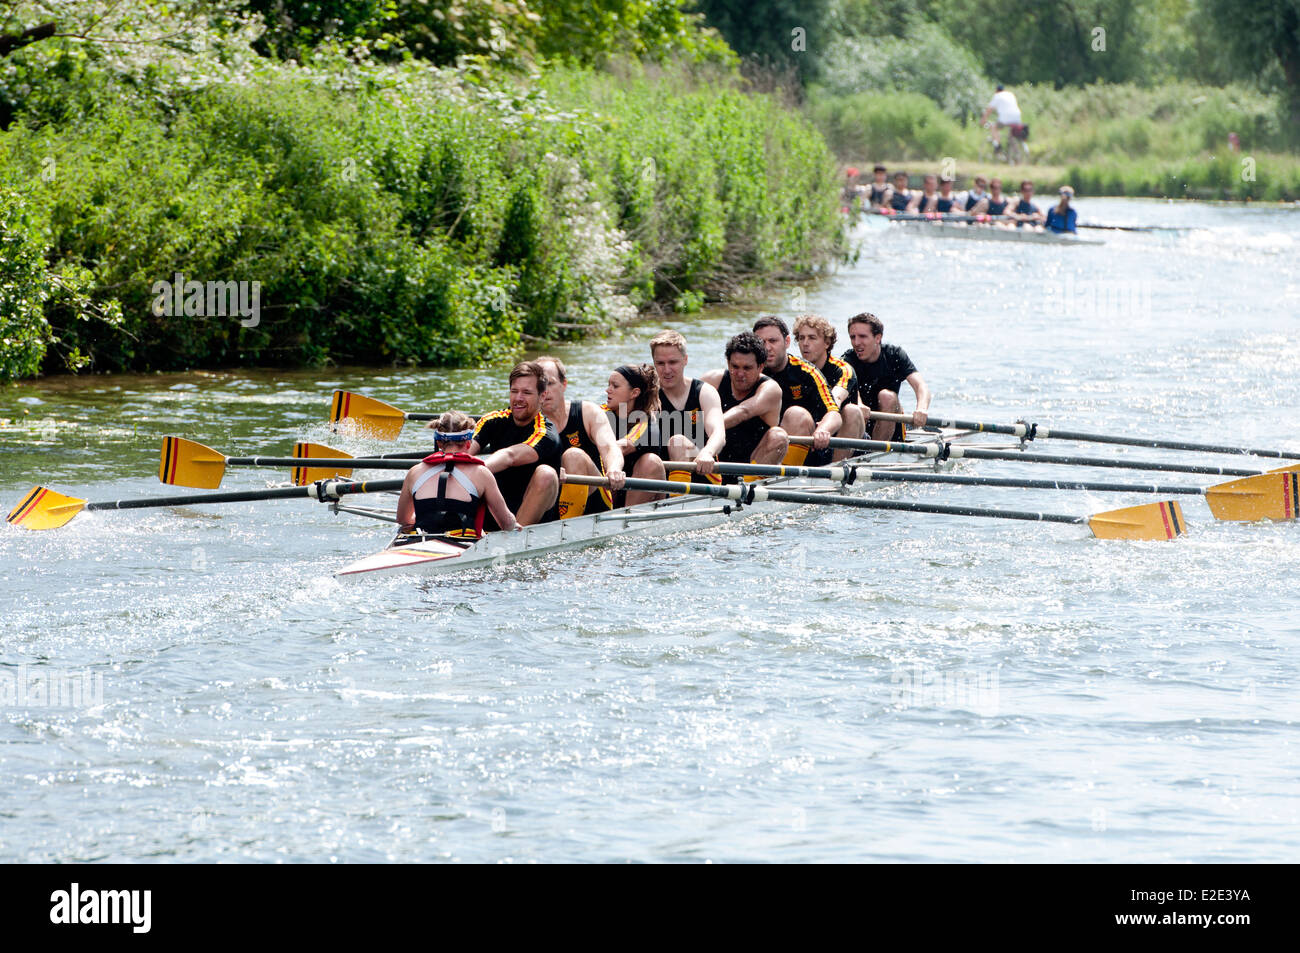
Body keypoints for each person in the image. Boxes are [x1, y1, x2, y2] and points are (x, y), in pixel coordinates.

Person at [464, 361, 562, 527]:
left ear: (542, 396)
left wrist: (476, 471)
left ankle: (514, 538)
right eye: (514, 391)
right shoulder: (492, 420)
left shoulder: (546, 432)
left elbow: (510, 456)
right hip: (494, 512)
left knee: (546, 474)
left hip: (531, 520)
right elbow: (464, 452)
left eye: (526, 393)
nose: (518, 398)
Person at [397, 411, 519, 536]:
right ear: (468, 443)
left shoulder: (415, 471)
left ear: (438, 443)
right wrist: (515, 524)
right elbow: (507, 524)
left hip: (419, 542)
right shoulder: (481, 473)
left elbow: (403, 520)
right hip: (464, 546)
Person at [536, 355, 628, 518]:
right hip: (549, 497)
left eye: (550, 383)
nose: (545, 391)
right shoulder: (529, 422)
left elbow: (609, 447)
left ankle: (566, 528)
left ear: (564, 385)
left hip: (596, 499)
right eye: (540, 385)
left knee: (573, 456)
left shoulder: (588, 412)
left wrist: (614, 468)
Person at [751, 315, 842, 468]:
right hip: (759, 443)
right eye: (761, 343)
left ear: (786, 342)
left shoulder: (807, 372)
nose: (767, 348)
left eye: (773, 341)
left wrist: (823, 430)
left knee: (796, 415)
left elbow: (834, 413)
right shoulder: (747, 370)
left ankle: (778, 480)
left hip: (803, 446)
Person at [698, 332, 788, 477]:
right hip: (712, 462)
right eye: (735, 366)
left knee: (778, 436)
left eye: (747, 368)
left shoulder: (770, 389)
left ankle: (749, 492)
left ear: (760, 367)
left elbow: (743, 411)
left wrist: (712, 428)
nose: (739, 374)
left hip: (752, 464)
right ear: (728, 363)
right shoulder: (712, 380)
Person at [647, 329, 726, 479]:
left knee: (678, 442)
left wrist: (708, 452)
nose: (666, 370)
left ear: (685, 360)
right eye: (660, 363)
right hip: (662, 475)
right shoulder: (648, 396)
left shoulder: (704, 392)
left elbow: (718, 433)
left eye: (673, 362)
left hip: (703, 471)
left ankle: (676, 499)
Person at [841, 312, 931, 442]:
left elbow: (921, 385)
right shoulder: (847, 360)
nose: (856, 342)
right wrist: (859, 404)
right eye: (852, 337)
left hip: (892, 427)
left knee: (887, 396)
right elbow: (848, 388)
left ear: (878, 338)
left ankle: (875, 452)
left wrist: (921, 409)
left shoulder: (895, 355)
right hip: (859, 426)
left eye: (862, 337)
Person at [792, 313, 866, 462]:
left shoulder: (843, 369)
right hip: (815, 437)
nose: (805, 343)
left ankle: (836, 472)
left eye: (812, 338)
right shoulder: (794, 369)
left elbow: (835, 398)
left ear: (827, 343)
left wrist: (826, 422)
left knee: (851, 411)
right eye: (801, 338)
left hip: (845, 438)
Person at [981, 83, 1022, 154]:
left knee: (994, 128)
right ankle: (1016, 153)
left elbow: (989, 110)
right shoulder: (1010, 94)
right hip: (1017, 117)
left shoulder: (997, 96)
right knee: (1011, 136)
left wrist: (983, 119)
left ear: (996, 90)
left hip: (1005, 118)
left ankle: (998, 147)